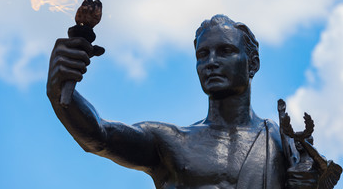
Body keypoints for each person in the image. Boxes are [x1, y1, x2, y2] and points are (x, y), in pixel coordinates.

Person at [47, 14, 319, 188]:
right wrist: (60, 92)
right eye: (203, 54)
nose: (211, 62)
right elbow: (99, 135)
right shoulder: (170, 141)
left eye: (225, 51)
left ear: (253, 64)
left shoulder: (285, 145)